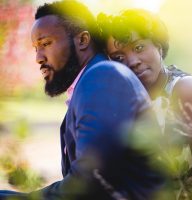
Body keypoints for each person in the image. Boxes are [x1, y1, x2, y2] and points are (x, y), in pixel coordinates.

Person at [0, 1, 166, 200]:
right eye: (36, 48)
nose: (38, 57)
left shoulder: (105, 76)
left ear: (82, 40)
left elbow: (90, 182)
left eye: (45, 44)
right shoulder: (92, 81)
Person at [98, 9, 192, 200]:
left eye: (139, 48)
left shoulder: (187, 91)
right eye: (119, 57)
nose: (132, 62)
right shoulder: (122, 100)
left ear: (158, 45)